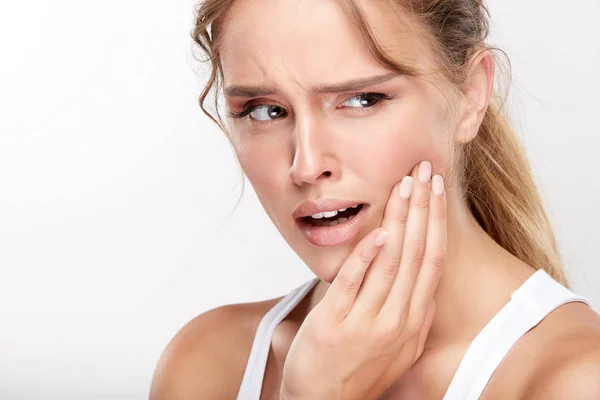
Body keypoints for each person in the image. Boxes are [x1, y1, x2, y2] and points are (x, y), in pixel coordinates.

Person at [150, 0, 600, 398]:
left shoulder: (573, 380)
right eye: (265, 110)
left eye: (362, 100)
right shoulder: (208, 364)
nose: (306, 166)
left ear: (470, 97)